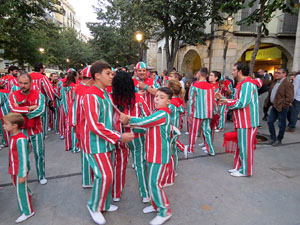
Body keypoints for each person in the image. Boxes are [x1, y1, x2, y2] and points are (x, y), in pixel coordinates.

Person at [81, 60, 134, 225]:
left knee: (106, 175)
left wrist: (125, 118)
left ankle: (103, 204)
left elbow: (114, 112)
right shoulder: (91, 95)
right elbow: (94, 124)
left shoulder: (104, 93)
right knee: (104, 175)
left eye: (112, 73)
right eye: (108, 74)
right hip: (94, 143)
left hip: (105, 143)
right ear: (97, 76)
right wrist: (119, 137)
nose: (112, 77)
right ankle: (94, 206)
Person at [120, 87, 173, 225]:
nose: (157, 99)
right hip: (153, 153)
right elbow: (146, 126)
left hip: (160, 155)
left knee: (155, 183)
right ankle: (156, 205)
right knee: (152, 182)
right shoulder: (157, 112)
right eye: (157, 96)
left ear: (168, 101)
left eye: (162, 97)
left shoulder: (162, 114)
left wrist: (129, 119)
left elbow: (145, 122)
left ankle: (164, 211)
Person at [111, 71, 151, 203]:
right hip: (136, 136)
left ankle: (116, 194)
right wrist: (132, 120)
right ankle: (145, 194)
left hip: (119, 136)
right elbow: (148, 118)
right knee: (140, 164)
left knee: (119, 165)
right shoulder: (138, 99)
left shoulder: (110, 99)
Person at [217, 62, 262, 177]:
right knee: (240, 146)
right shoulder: (243, 84)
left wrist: (226, 102)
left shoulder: (247, 84)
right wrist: (223, 99)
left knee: (245, 147)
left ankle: (245, 171)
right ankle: (239, 167)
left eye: (234, 70)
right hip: (242, 121)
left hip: (247, 122)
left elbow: (242, 103)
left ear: (240, 71)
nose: (232, 72)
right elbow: (236, 100)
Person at [9, 72, 47, 184]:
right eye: (20, 83)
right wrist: (29, 108)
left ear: (31, 83)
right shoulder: (13, 95)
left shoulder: (39, 95)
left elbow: (41, 110)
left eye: (25, 83)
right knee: (22, 154)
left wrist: (21, 111)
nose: (22, 85)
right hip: (21, 130)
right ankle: (24, 174)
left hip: (36, 128)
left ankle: (41, 175)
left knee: (39, 153)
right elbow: (13, 109)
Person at [4, 113, 35, 223]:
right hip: (13, 169)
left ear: (15, 125)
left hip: (19, 170)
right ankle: (28, 193)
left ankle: (27, 211)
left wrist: (22, 174)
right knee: (19, 188)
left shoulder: (20, 139)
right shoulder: (13, 137)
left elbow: (23, 157)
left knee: (20, 191)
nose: (4, 125)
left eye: (6, 124)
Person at [185, 68, 215, 157]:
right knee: (207, 131)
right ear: (206, 75)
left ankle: (191, 148)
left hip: (197, 112)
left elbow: (191, 101)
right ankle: (211, 150)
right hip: (208, 113)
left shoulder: (195, 86)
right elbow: (213, 101)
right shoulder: (211, 87)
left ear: (199, 74)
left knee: (194, 131)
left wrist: (189, 113)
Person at [74, 66, 95, 188]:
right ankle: (88, 180)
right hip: (85, 124)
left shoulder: (79, 87)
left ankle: (86, 180)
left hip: (81, 123)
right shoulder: (85, 90)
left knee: (85, 151)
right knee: (88, 152)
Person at [262, 68, 294, 146]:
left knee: (281, 124)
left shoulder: (287, 84)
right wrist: (256, 79)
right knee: (270, 121)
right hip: (274, 106)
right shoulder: (275, 82)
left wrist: (283, 105)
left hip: (282, 107)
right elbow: (267, 82)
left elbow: (290, 97)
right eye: (276, 73)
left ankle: (279, 139)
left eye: (279, 73)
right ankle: (273, 138)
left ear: (284, 74)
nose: (276, 74)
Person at [30, 63, 55, 138]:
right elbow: (48, 89)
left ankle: (31, 133)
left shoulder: (29, 76)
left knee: (31, 116)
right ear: (41, 69)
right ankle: (42, 134)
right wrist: (51, 99)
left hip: (29, 100)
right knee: (43, 118)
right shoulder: (42, 77)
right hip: (41, 101)